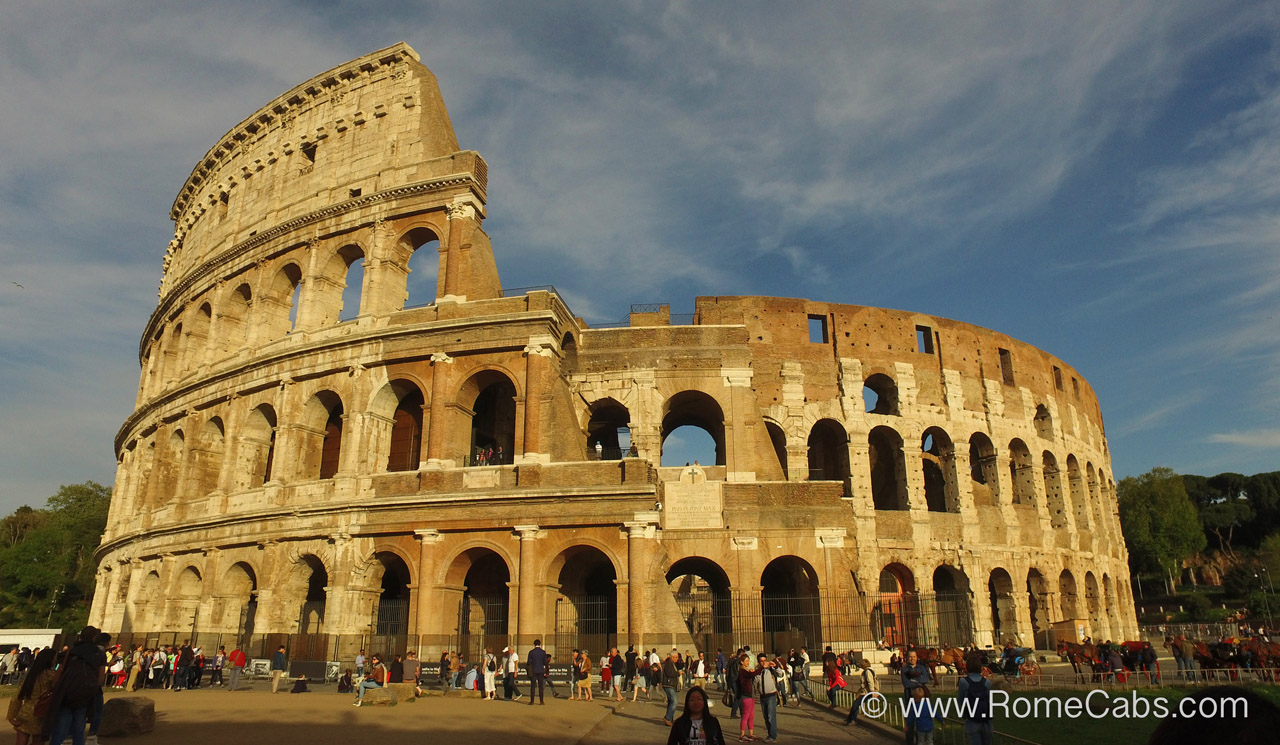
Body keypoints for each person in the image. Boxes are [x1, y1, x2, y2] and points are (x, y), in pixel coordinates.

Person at [45, 626, 107, 745]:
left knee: (60, 728)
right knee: (79, 728)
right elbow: (100, 678)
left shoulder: (69, 652)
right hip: (85, 693)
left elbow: (59, 670)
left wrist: (55, 686)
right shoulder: (99, 654)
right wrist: (92, 690)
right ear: (95, 637)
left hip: (67, 692)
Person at [7, 648, 56, 745]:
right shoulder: (52, 675)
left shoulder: (31, 675)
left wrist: (11, 716)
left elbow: (17, 696)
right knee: (37, 741)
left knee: (21, 742)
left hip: (25, 712)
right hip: (40, 713)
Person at [956, 656, 992, 745]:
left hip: (972, 719)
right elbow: (989, 700)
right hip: (986, 720)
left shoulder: (963, 682)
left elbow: (960, 700)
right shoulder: (987, 682)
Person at [755, 653, 783, 743]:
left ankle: (773, 736)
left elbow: (781, 674)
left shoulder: (771, 669)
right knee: (766, 717)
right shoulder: (758, 670)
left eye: (764, 660)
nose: (763, 663)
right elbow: (755, 682)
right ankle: (770, 733)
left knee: (771, 717)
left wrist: (775, 666)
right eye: (761, 661)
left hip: (771, 694)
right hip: (762, 695)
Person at [844, 658, 880, 726]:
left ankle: (853, 719)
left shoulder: (867, 672)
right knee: (855, 704)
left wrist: (873, 692)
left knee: (855, 704)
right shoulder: (870, 670)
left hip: (867, 692)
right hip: (866, 691)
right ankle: (850, 718)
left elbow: (870, 682)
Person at [527, 639, 549, 705]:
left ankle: (532, 701)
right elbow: (545, 662)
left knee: (533, 686)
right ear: (540, 644)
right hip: (540, 670)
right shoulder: (543, 652)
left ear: (534, 644)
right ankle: (541, 701)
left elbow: (528, 662)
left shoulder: (531, 652)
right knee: (540, 686)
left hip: (533, 670)